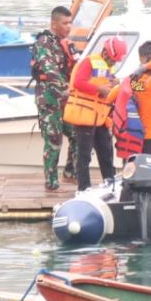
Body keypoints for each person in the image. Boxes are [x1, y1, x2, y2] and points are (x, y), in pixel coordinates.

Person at [63, 36, 127, 191]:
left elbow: (108, 84)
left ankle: (110, 184)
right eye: (113, 59)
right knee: (84, 155)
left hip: (100, 118)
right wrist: (100, 89)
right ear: (105, 53)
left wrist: (114, 83)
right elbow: (79, 82)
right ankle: (83, 188)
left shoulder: (108, 68)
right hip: (84, 116)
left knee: (106, 152)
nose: (114, 63)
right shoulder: (89, 62)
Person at [31, 5, 77, 192]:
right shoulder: (44, 43)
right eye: (65, 23)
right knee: (53, 141)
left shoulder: (66, 44)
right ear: (54, 23)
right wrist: (67, 89)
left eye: (70, 22)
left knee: (77, 135)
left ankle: (70, 172)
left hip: (66, 101)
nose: (69, 26)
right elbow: (50, 71)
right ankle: (51, 182)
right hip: (49, 100)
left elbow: (77, 67)